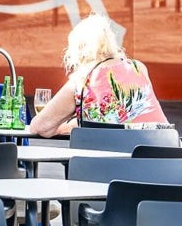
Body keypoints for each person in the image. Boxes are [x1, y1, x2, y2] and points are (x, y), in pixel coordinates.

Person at [28, 13, 169, 137]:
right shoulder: (138, 68)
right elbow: (123, 120)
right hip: (163, 156)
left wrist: (66, 127)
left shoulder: (82, 81)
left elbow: (40, 127)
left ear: (78, 50)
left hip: (112, 164)